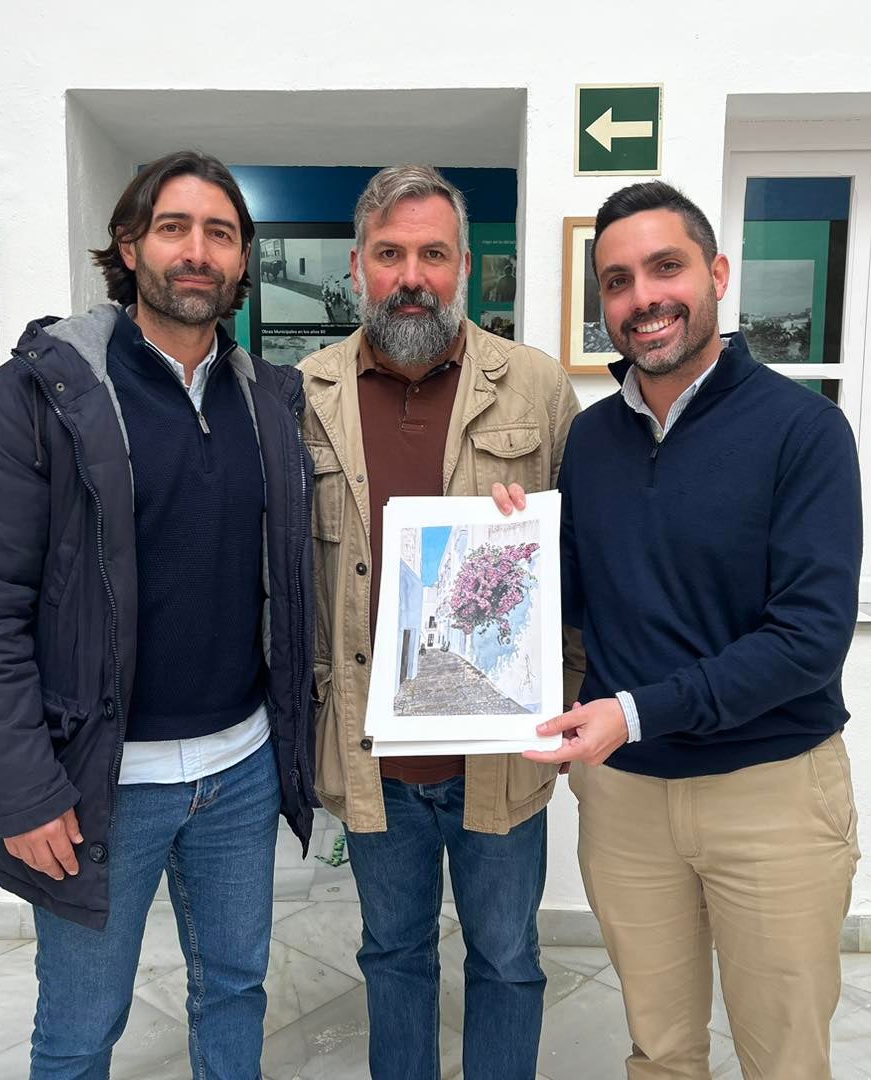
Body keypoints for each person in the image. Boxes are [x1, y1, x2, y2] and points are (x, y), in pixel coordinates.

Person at [0, 150, 316, 1079]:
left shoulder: (271, 400)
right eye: (175, 228)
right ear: (129, 244)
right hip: (98, 785)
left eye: (220, 234)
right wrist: (25, 791)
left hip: (241, 770)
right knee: (80, 1029)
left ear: (241, 261)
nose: (198, 251)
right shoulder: (39, 395)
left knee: (234, 988)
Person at [510, 180, 863, 1078]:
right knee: (660, 1051)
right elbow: (581, 598)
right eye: (618, 281)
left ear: (716, 273)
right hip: (627, 800)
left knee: (784, 1056)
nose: (643, 298)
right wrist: (513, 553)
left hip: (771, 792)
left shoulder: (805, 432)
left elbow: (809, 639)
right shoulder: (591, 442)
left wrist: (634, 710)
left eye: (665, 268)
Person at [298, 164, 579, 1080]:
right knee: (394, 956)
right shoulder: (303, 394)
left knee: (506, 959)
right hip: (373, 755)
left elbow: (586, 563)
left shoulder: (534, 387)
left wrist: (564, 695)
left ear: (466, 265)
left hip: (502, 753)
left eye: (433, 253)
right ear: (356, 267)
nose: (411, 274)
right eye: (390, 254)